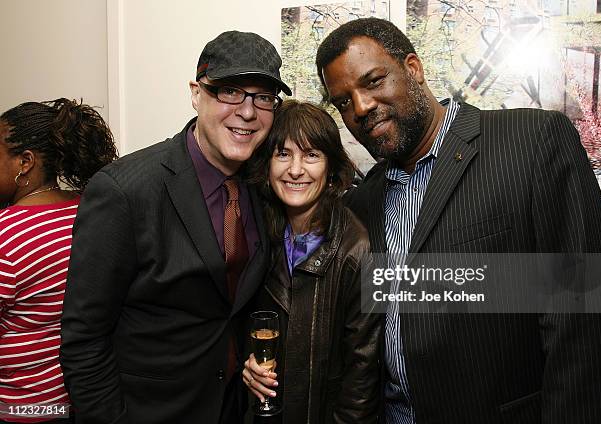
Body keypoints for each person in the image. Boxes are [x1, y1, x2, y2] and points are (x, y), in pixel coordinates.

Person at [315, 18, 601, 424]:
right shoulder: (365, 201)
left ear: (414, 69)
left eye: (372, 81)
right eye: (344, 102)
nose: (361, 107)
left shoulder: (531, 141)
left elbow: (585, 319)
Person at [59, 31, 291, 424]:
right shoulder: (124, 191)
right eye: (230, 91)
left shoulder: (262, 184)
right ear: (196, 93)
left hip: (232, 407)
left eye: (263, 97)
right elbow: (84, 338)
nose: (248, 112)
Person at [242, 100, 382, 423]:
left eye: (311, 155)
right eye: (283, 154)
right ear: (268, 165)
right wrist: (247, 368)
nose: (294, 170)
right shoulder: (260, 235)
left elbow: (362, 380)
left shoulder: (358, 251)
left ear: (331, 169)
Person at [0, 98, 117, 423]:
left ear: (25, 162)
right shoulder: (90, 210)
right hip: (83, 400)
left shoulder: (6, 236)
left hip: (21, 408)